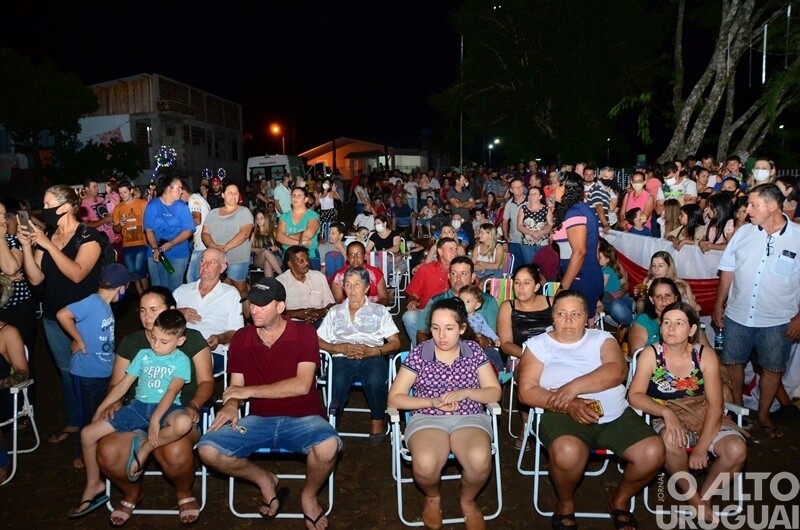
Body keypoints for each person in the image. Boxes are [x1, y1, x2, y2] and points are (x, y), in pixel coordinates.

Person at [196, 277, 342, 528]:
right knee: (208, 450)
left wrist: (245, 392)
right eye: (252, 304)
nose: (254, 310)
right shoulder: (243, 338)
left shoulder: (304, 333)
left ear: (280, 307)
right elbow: (236, 386)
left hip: (303, 418)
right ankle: (264, 479)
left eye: (262, 305)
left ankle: (308, 496)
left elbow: (301, 385)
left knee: (329, 446)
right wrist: (231, 404)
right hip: (258, 420)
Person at [516, 290, 665, 530]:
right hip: (559, 414)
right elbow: (526, 391)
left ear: (586, 317)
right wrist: (569, 403)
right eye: (561, 314)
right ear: (552, 317)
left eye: (575, 314)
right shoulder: (537, 345)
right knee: (567, 451)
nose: (567, 320)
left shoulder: (602, 338)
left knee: (653, 452)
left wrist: (572, 388)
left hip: (613, 413)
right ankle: (565, 502)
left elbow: (618, 371)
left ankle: (620, 500)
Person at [94, 287, 213, 525]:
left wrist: (194, 405)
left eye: (154, 310)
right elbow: (117, 383)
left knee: (173, 450)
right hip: (137, 409)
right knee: (107, 451)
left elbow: (207, 382)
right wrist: (115, 401)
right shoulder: (132, 342)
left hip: (176, 412)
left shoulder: (192, 340)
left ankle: (183, 493)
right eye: (142, 310)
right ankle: (131, 493)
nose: (147, 316)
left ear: (171, 310)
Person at [387, 297, 502, 530]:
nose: (441, 335)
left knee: (480, 460)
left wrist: (466, 392)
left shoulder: (474, 352)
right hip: (428, 417)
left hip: (469, 416)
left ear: (462, 328)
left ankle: (468, 500)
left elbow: (494, 393)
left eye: (449, 328)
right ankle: (432, 497)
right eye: (435, 328)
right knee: (425, 463)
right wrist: (431, 401)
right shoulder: (420, 353)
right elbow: (394, 397)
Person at [629, 301, 748, 523]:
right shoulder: (651, 354)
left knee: (736, 449)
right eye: (666, 322)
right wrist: (666, 413)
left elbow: (715, 405)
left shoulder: (704, 356)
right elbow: (634, 395)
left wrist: (701, 448)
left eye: (679, 323)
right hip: (666, 410)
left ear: (692, 330)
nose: (671, 328)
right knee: (670, 440)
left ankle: (705, 498)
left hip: (703, 412)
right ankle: (693, 498)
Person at [69, 310, 193, 521]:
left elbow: (172, 392)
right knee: (88, 434)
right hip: (137, 407)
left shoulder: (181, 361)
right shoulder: (143, 355)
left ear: (180, 340)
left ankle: (147, 446)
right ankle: (93, 484)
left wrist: (155, 420)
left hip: (166, 409)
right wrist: (101, 407)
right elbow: (123, 385)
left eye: (164, 341)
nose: (156, 345)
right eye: (153, 338)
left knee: (184, 423)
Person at [18, 184, 103, 445]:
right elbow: (35, 279)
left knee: (89, 374)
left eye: (48, 205)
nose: (44, 210)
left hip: (84, 319)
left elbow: (77, 274)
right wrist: (26, 247)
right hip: (54, 318)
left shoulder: (90, 237)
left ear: (65, 207)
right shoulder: (49, 237)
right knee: (67, 373)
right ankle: (75, 421)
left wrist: (47, 244)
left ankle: (95, 427)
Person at [713, 183, 800, 439]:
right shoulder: (743, 233)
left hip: (778, 318)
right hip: (738, 314)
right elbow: (727, 269)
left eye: (753, 204)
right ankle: (738, 410)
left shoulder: (797, 236)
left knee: (773, 368)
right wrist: (719, 303)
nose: (747, 209)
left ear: (772, 206)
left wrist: (799, 317)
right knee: (733, 362)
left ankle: (762, 415)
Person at [56, 263, 136, 468]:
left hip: (102, 371)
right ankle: (83, 453)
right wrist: (78, 339)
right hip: (86, 373)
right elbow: (62, 314)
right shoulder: (93, 302)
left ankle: (97, 447)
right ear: (122, 287)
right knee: (88, 413)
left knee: (100, 412)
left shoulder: (105, 305)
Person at [317, 267, 401, 440]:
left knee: (375, 379)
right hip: (341, 358)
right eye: (347, 284)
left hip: (372, 356)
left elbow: (395, 342)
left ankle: (378, 420)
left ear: (367, 288)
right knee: (338, 380)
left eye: (356, 284)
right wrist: (339, 348)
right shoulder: (334, 312)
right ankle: (332, 422)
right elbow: (317, 340)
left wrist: (373, 351)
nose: (351, 289)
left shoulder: (379, 311)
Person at [173, 248, 245, 375]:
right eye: (203, 260)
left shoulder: (230, 294)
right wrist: (178, 313)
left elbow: (237, 333)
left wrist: (219, 338)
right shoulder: (182, 290)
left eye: (212, 262)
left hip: (211, 352)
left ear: (222, 268)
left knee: (185, 364)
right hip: (177, 348)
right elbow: (160, 321)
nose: (205, 265)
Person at [551, 171, 603, 321]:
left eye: (557, 185)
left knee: (576, 327)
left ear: (566, 188)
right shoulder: (579, 209)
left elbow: (579, 251)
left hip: (581, 277)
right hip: (584, 274)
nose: (554, 189)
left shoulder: (575, 213)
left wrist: (563, 287)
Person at [0, 198, 36, 372]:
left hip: (17, 306)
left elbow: (11, 267)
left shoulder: (11, 240)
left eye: (3, 214)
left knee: (22, 357)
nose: (3, 219)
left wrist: (0, 237)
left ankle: (24, 397)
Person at [201, 182, 254, 298]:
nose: (233, 196)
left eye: (236, 193)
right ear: (223, 195)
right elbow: (205, 233)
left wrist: (225, 248)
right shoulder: (213, 213)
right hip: (216, 258)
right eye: (230, 193)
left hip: (237, 257)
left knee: (241, 290)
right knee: (218, 289)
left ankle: (248, 314)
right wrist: (213, 246)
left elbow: (245, 233)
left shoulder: (244, 211)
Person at [403, 238, 459, 347]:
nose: (455, 252)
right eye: (451, 249)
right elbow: (413, 293)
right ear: (440, 251)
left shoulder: (459, 271)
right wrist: (413, 301)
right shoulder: (425, 269)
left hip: (453, 313)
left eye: (456, 249)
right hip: (427, 312)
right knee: (408, 316)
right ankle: (420, 349)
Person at [143, 175, 195, 291]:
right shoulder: (153, 205)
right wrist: (155, 247)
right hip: (156, 253)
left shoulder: (182, 206)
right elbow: (149, 229)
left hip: (178, 253)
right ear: (168, 189)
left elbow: (188, 230)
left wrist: (171, 243)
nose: (182, 191)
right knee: (158, 290)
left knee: (174, 290)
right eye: (179, 188)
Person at [0, 288, 28, 484]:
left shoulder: (7, 333)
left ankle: (1, 460)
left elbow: (22, 371)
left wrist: (2, 383)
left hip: (4, 393)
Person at [276, 245, 335, 327]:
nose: (306, 263)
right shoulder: (280, 282)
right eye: (301, 261)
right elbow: (274, 312)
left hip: (318, 321)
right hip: (292, 324)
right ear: (290, 264)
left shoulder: (319, 277)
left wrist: (321, 312)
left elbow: (331, 305)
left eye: (307, 259)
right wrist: (297, 314)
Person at [111, 181, 150, 294]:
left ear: (131, 191)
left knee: (140, 269)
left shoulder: (143, 204)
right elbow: (116, 229)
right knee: (132, 272)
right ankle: (141, 295)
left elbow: (150, 222)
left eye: (125, 192)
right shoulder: (118, 208)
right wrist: (120, 225)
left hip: (142, 242)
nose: (123, 195)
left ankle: (146, 295)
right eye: (120, 193)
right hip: (127, 244)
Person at [457, 285, 504, 372]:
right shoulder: (457, 317)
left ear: (477, 305)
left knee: (493, 353)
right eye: (461, 301)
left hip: (480, 347)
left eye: (468, 301)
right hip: (463, 347)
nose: (464, 304)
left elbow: (486, 329)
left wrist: (495, 338)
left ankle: (499, 372)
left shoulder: (479, 318)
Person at [331, 240, 390, 306]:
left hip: (373, 311)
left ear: (365, 256)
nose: (355, 257)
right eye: (351, 254)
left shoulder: (375, 273)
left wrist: (372, 309)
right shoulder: (339, 276)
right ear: (347, 257)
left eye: (359, 254)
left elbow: (384, 298)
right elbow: (338, 302)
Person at [276, 187, 322, 270]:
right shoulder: (284, 217)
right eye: (293, 195)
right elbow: (279, 237)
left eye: (299, 196)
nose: (295, 198)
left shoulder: (313, 216)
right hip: (289, 257)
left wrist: (287, 235)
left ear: (306, 199)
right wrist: (300, 243)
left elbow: (308, 234)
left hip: (309, 256)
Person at [598, 239, 633, 327]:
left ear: (607, 259)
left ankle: (631, 326)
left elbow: (601, 287)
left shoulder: (609, 269)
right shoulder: (601, 268)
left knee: (616, 306)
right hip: (606, 300)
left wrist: (622, 291)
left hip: (615, 297)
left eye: (600, 257)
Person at [182, 184, 211, 284]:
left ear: (183, 192)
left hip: (201, 245)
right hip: (203, 243)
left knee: (191, 278)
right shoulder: (199, 198)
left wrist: (180, 228)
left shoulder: (193, 200)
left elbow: (197, 220)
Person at [517, 186, 551, 266]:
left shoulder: (546, 209)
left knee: (543, 267)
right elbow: (519, 226)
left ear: (540, 196)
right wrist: (531, 232)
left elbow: (551, 226)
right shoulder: (523, 208)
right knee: (529, 268)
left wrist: (540, 232)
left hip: (543, 243)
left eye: (535, 194)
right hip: (527, 244)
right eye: (530, 194)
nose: (532, 196)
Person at [502, 178, 527, 273]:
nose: (519, 189)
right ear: (511, 190)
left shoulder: (530, 201)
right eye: (516, 187)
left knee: (528, 268)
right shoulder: (509, 204)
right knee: (515, 269)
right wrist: (506, 236)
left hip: (528, 241)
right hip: (514, 240)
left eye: (520, 186)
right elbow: (505, 221)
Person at [251, 208, 284, 278]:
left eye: (261, 218)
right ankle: (282, 276)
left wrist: (276, 248)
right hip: (259, 258)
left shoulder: (273, 232)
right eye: (257, 219)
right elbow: (249, 249)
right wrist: (260, 250)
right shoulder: (254, 234)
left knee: (267, 262)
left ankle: (270, 286)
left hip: (275, 257)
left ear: (266, 219)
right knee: (266, 252)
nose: (259, 220)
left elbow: (279, 247)